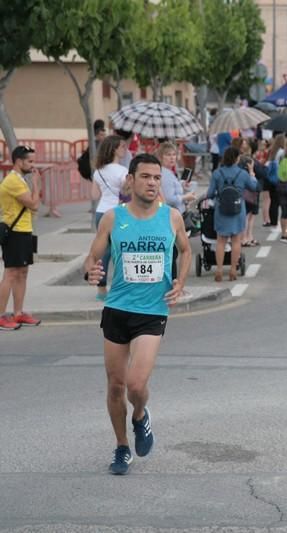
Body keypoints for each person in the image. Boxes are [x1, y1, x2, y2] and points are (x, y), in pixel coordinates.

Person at [84, 153, 191, 475]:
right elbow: (92, 257)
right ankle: (121, 447)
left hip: (152, 311)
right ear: (130, 180)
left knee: (135, 383)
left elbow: (185, 251)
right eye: (145, 176)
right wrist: (91, 271)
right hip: (117, 308)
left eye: (157, 178)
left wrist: (181, 280)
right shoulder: (113, 218)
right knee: (115, 385)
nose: (152, 183)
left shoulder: (172, 217)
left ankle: (140, 415)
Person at [0, 145, 42, 331]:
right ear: (19, 161)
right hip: (14, 231)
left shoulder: (20, 179)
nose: (34, 165)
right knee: (10, 273)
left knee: (23, 272)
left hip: (25, 230)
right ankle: (1, 316)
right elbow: (33, 204)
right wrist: (37, 185)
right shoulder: (13, 181)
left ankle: (18, 313)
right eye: (30, 161)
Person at [206, 146, 259, 281]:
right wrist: (252, 174)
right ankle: (233, 270)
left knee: (221, 241)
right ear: (236, 159)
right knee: (236, 240)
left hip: (221, 209)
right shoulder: (242, 174)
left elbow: (210, 194)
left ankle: (218, 270)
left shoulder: (217, 173)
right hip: (238, 209)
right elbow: (254, 187)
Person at [91, 136, 131, 301]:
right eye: (122, 146)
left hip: (101, 212)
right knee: (121, 251)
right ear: (114, 149)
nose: (125, 149)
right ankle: (120, 287)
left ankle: (101, 290)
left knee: (103, 253)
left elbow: (94, 195)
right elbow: (128, 192)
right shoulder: (123, 171)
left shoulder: (98, 171)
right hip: (117, 213)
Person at [262, 135, 285, 227]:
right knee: (276, 200)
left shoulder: (272, 151)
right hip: (277, 177)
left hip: (269, 176)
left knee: (269, 200)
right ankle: (274, 220)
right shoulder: (282, 152)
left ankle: (269, 219)